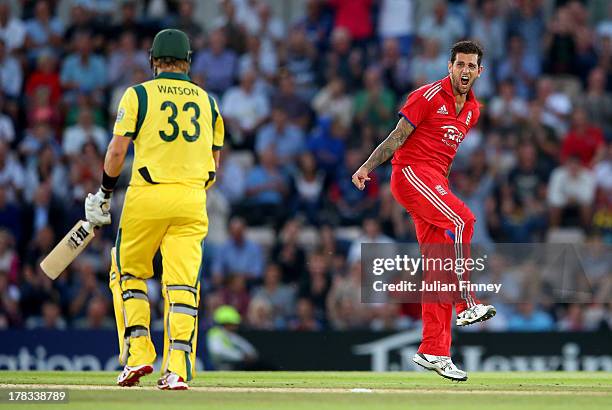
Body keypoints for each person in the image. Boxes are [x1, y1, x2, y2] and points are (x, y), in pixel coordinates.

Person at [84, 29, 224, 390]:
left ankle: (138, 356)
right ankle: (176, 368)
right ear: (188, 61)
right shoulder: (208, 101)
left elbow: (117, 152)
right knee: (182, 285)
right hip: (193, 199)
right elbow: (215, 161)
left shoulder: (138, 94)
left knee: (128, 272)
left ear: (153, 60)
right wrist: (192, 189)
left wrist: (104, 193)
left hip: (147, 194)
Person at [352, 41, 495, 381]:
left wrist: (440, 188)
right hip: (410, 174)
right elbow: (398, 136)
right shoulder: (427, 96)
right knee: (464, 219)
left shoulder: (474, 110)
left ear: (479, 71)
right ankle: (467, 303)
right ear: (449, 66)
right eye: (459, 64)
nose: (464, 71)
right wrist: (366, 167)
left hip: (434, 183)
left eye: (471, 66)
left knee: (441, 267)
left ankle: (434, 350)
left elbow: (445, 157)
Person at [206, 305, 259, 370]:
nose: (236, 327)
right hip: (218, 367)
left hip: (231, 365)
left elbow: (244, 345)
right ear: (226, 324)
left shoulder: (229, 334)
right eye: (233, 324)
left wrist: (250, 354)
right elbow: (217, 351)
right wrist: (241, 356)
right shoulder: (215, 334)